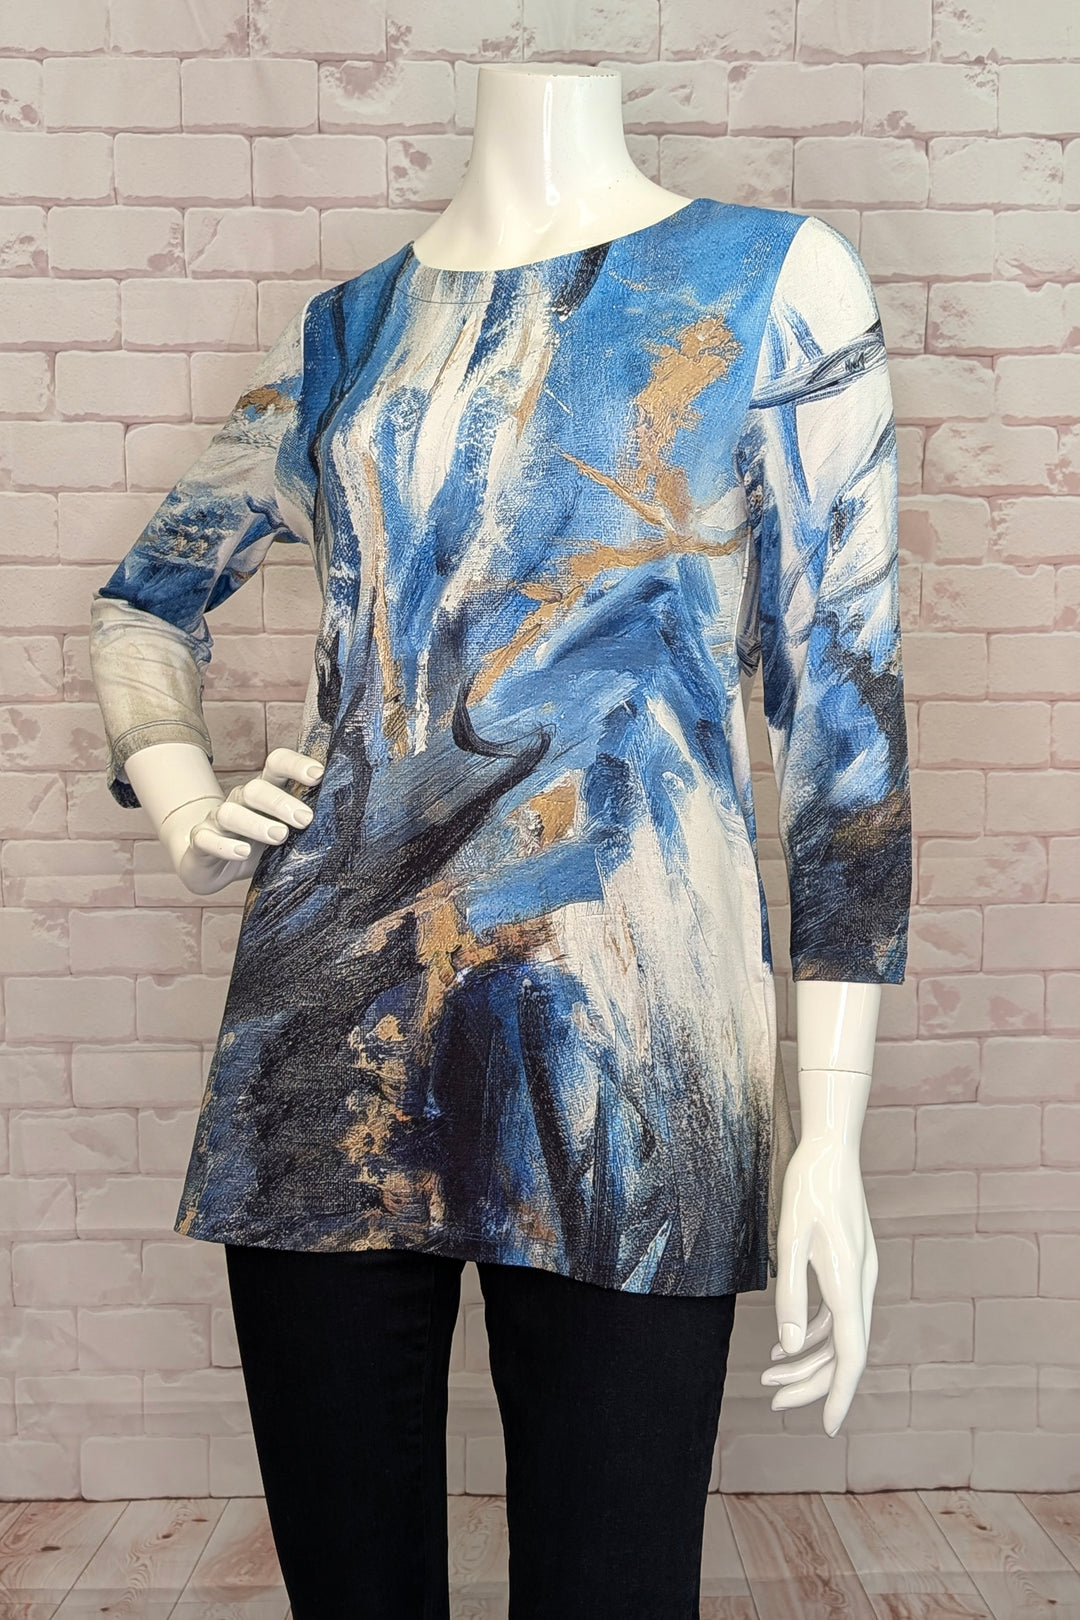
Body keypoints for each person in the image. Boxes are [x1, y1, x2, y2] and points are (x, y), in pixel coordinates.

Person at [88, 60, 911, 1620]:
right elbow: (145, 603)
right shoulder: (348, 331)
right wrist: (185, 799)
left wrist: (830, 1134)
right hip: (323, 1047)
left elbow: (845, 728)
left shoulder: (772, 282)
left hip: (641, 1059)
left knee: (614, 1586)